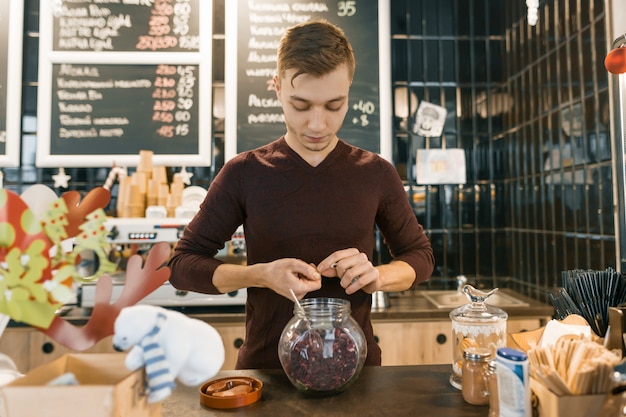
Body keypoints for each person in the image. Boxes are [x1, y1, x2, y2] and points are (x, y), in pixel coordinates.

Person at [168, 19, 434, 369]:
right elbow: (182, 265)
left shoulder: (376, 173)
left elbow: (420, 256)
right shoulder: (244, 172)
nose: (317, 124)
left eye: (334, 105)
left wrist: (378, 277)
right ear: (277, 88)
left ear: (349, 90)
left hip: (358, 372)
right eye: (301, 105)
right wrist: (260, 275)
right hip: (266, 372)